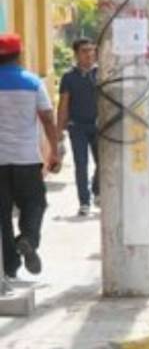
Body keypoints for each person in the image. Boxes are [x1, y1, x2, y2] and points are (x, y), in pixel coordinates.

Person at [0, 33, 59, 279]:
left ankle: (10, 266)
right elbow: (47, 117)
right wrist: (54, 151)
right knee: (35, 204)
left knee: (2, 214)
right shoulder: (33, 82)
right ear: (20, 54)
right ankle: (27, 239)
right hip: (26, 158)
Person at [57, 38, 100, 216]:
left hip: (100, 126)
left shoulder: (102, 74)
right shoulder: (69, 77)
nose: (89, 54)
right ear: (76, 54)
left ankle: (97, 189)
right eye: (84, 51)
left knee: (104, 163)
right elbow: (64, 104)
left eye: (91, 50)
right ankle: (84, 201)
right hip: (78, 127)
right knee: (80, 164)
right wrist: (59, 132)